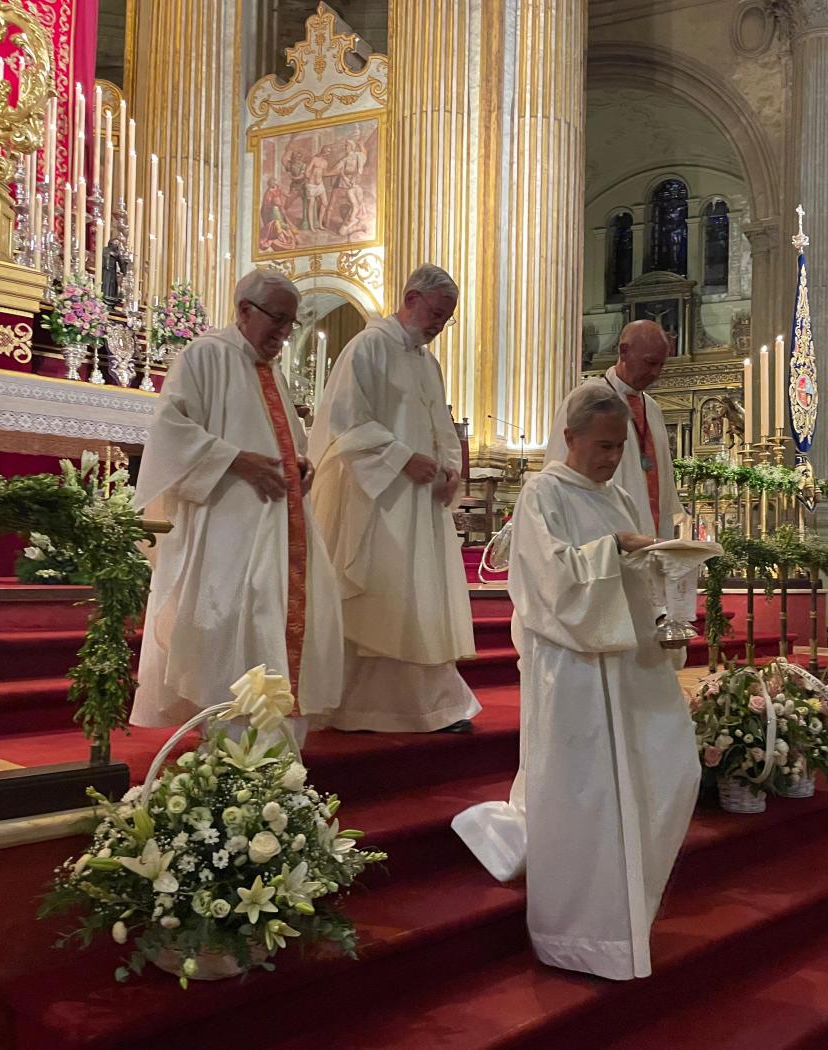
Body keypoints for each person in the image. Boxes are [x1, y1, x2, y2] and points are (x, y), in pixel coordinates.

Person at [450, 383, 698, 980]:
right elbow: (549, 581)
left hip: (626, 660)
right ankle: (581, 931)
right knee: (585, 796)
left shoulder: (614, 498)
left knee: (672, 768)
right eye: (603, 447)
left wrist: (663, 582)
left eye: (619, 449)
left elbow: (633, 571)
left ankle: (627, 909)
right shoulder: (542, 495)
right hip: (573, 669)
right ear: (571, 438)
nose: (611, 460)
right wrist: (614, 550)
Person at [130, 269, 345, 745]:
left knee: (274, 619)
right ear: (245, 309)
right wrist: (234, 460)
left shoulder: (267, 371)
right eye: (280, 320)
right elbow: (169, 432)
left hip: (279, 526)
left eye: (292, 324)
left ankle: (275, 744)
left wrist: (300, 463)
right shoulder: (206, 355)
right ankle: (231, 742)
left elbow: (280, 434)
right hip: (228, 527)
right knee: (232, 621)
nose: (286, 334)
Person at [307, 263, 480, 733]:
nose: (440, 325)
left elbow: (441, 424)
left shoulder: (428, 362)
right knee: (380, 598)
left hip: (419, 501)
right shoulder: (369, 346)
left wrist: (450, 470)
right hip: (375, 498)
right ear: (410, 298)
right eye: (437, 314)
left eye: (447, 318)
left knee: (419, 597)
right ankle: (361, 706)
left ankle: (430, 704)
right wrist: (403, 457)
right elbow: (348, 420)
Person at [545, 319, 685, 540]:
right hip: (599, 536)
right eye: (649, 363)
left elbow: (663, 488)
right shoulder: (587, 399)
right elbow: (562, 473)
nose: (655, 373)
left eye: (661, 365)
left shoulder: (653, 409)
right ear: (624, 351)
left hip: (651, 533)